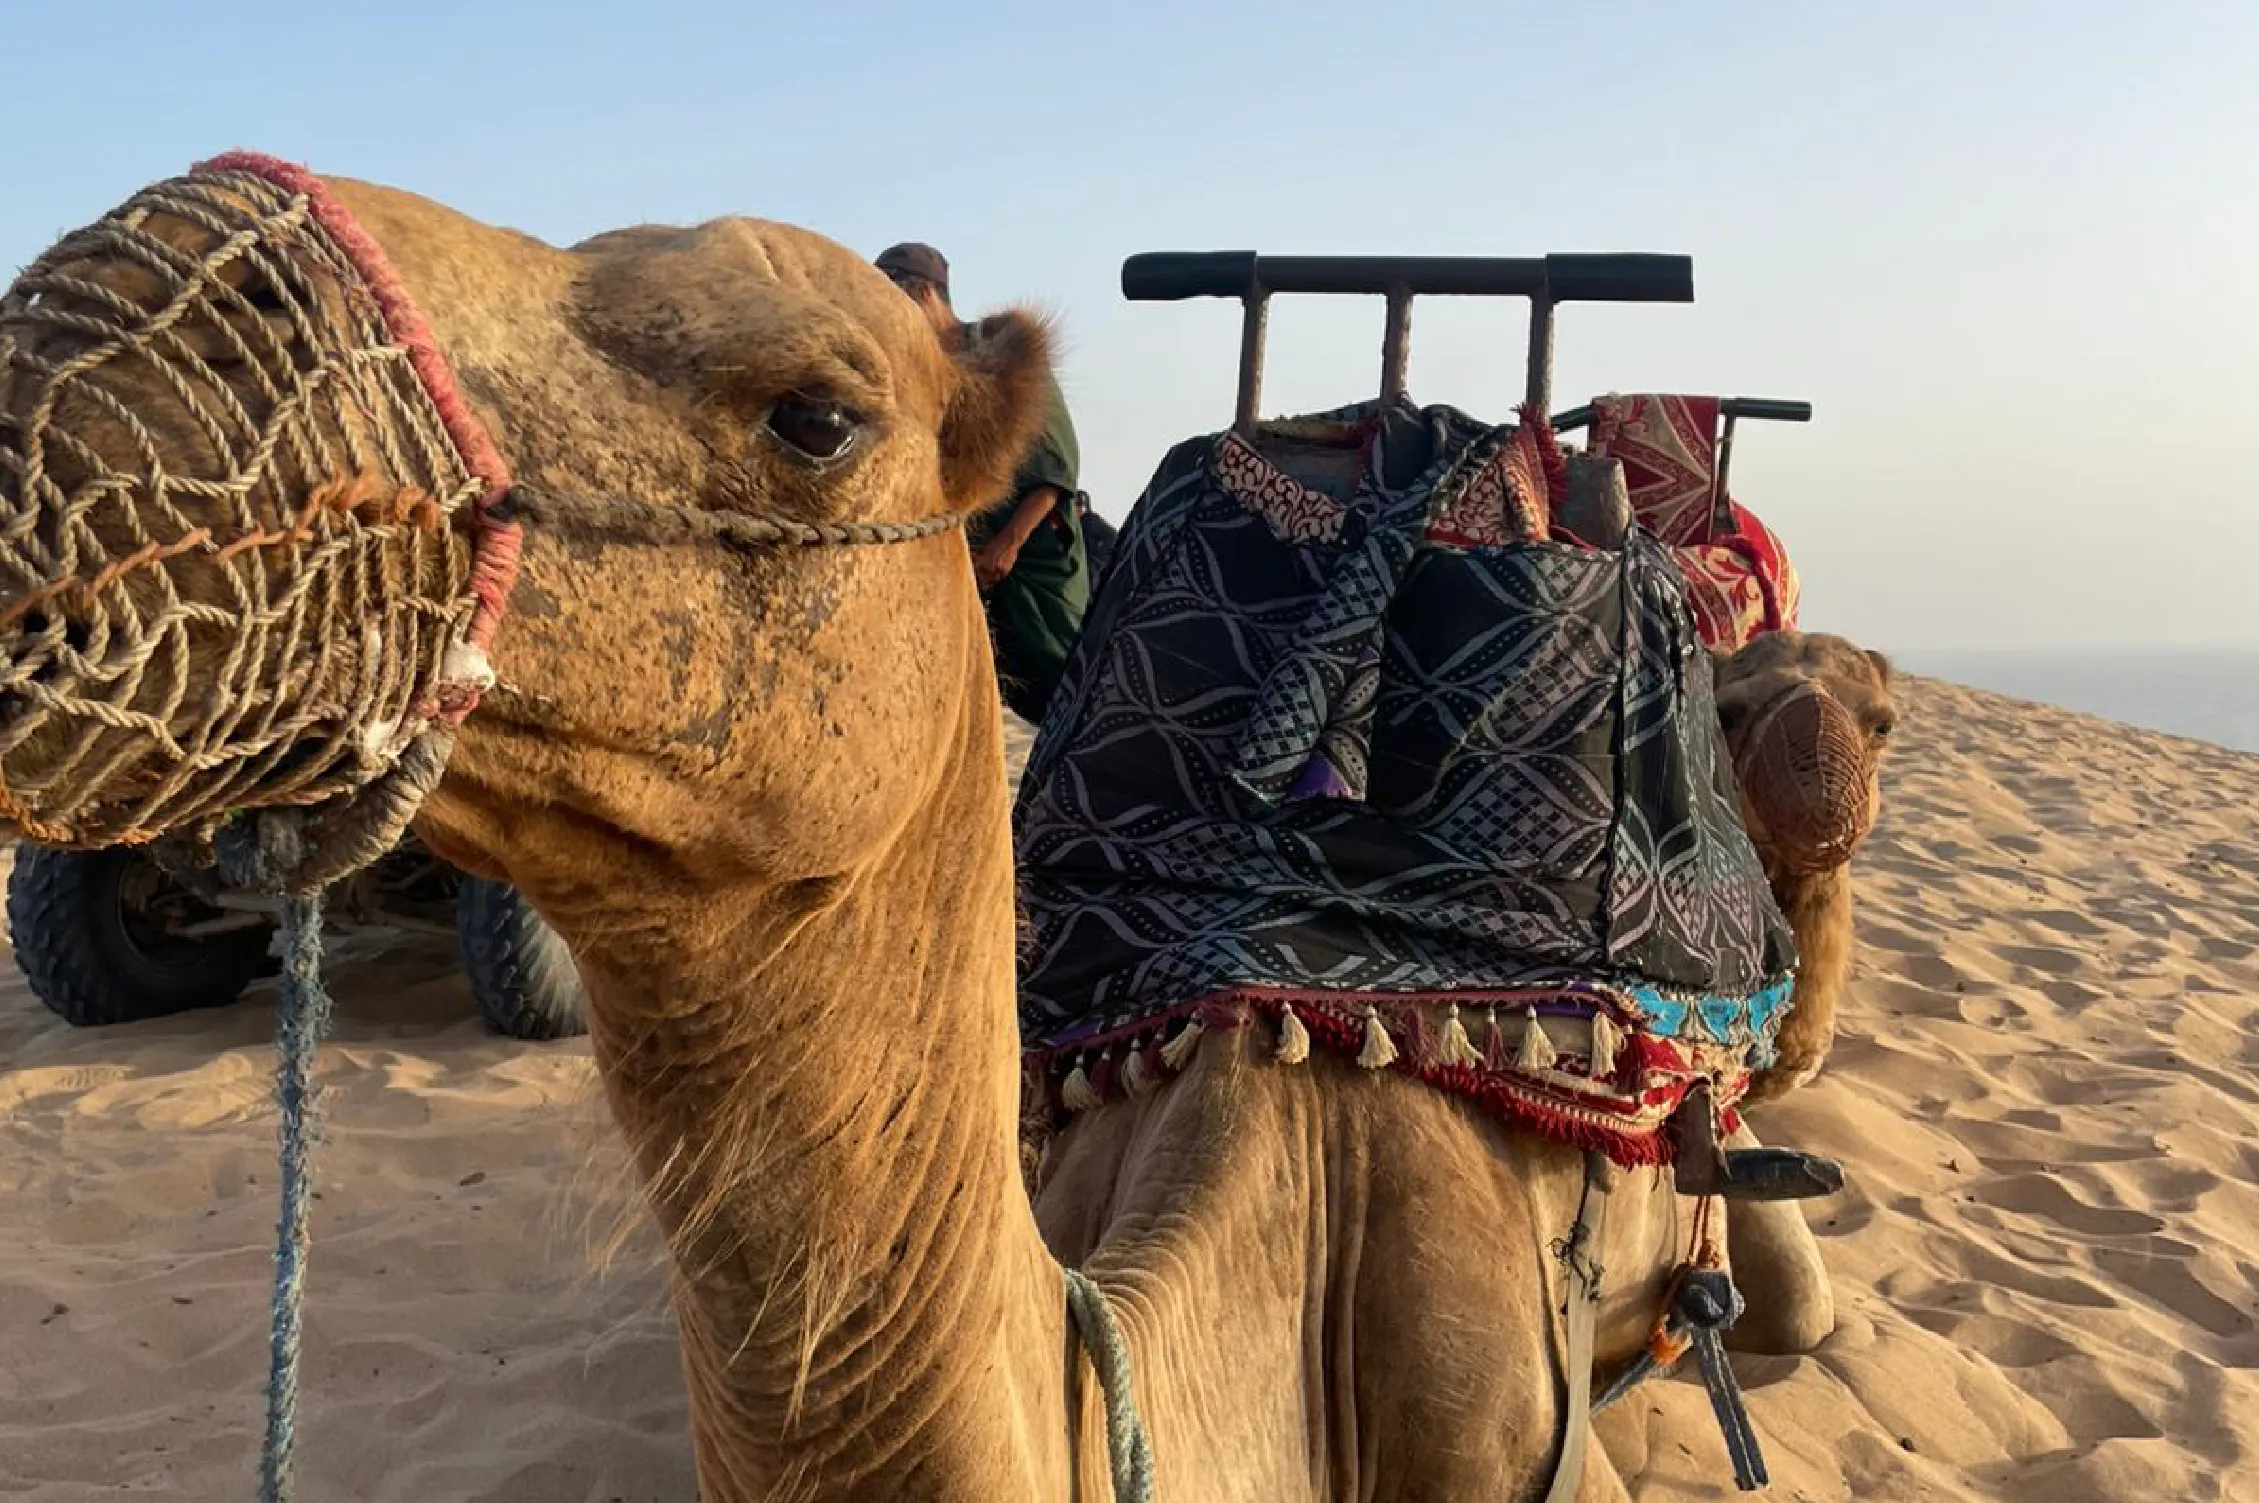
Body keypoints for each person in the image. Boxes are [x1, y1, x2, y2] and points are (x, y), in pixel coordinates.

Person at [876, 242, 1089, 724]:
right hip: (958, 554)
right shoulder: (913, 372)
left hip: (1032, 555)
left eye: (896, 301)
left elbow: (1056, 467)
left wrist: (1008, 544)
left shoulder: (1002, 355)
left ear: (926, 293)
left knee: (1058, 676)